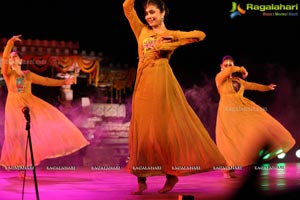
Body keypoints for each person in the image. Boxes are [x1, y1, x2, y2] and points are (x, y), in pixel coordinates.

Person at [123, 0, 226, 195]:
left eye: (153, 12)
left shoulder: (170, 34)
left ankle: (171, 175)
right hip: (143, 84)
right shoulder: (141, 30)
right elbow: (127, 9)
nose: (148, 16)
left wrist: (173, 42)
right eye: (146, 13)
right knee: (142, 132)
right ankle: (141, 179)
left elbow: (200, 35)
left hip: (162, 82)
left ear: (163, 13)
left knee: (164, 130)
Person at [0, 35, 90, 178]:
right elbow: (4, 60)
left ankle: (24, 168)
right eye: (12, 57)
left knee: (30, 135)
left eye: (16, 57)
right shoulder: (8, 74)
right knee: (17, 137)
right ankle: (20, 168)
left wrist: (64, 82)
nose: (13, 58)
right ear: (9, 62)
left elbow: (46, 80)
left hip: (28, 104)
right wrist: (10, 43)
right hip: (14, 106)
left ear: (21, 60)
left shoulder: (27, 75)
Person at [215, 55, 296, 178]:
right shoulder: (219, 79)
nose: (228, 67)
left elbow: (253, 86)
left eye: (230, 65)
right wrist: (242, 69)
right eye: (225, 65)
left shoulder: (239, 81)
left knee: (257, 127)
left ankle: (254, 153)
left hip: (242, 107)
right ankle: (227, 169)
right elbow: (229, 72)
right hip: (228, 111)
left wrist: (267, 88)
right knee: (230, 140)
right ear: (221, 67)